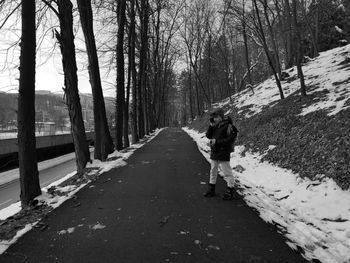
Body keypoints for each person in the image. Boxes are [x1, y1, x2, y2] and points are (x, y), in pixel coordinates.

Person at [204, 109, 238, 200]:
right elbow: (208, 135)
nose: (214, 119)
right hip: (215, 152)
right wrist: (211, 126)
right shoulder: (215, 126)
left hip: (223, 152)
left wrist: (217, 142)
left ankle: (230, 191)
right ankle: (211, 189)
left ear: (221, 117)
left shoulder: (229, 126)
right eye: (214, 118)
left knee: (227, 172)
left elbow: (230, 140)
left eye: (216, 117)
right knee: (213, 171)